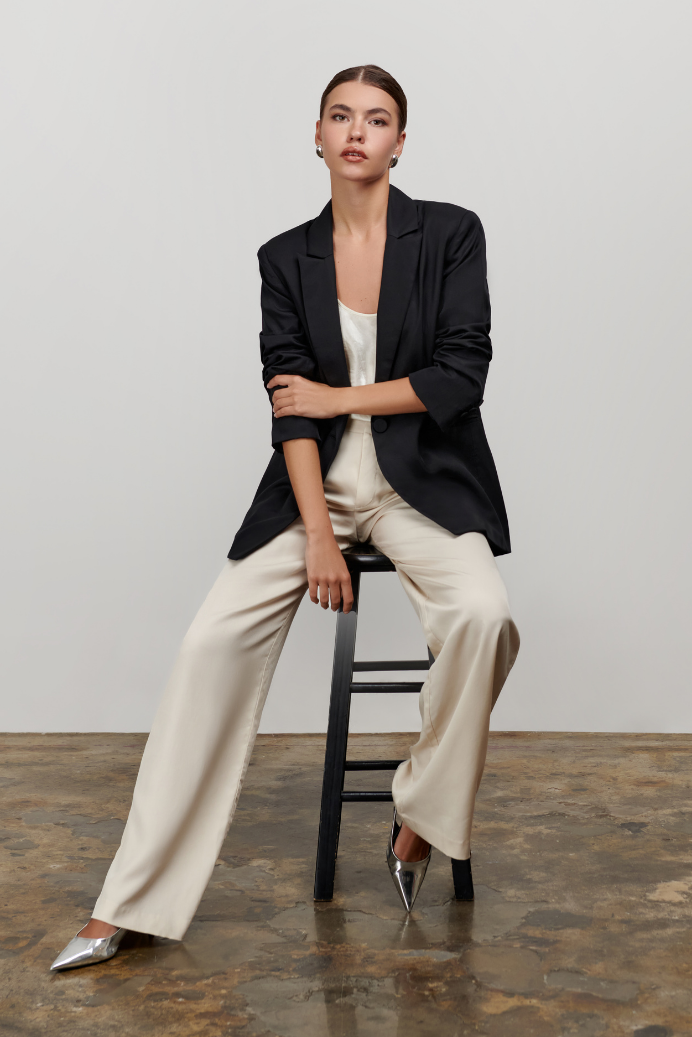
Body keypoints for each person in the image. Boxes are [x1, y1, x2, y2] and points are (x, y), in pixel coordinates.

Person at [50, 64, 520, 971]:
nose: (357, 131)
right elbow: (290, 409)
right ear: (315, 135)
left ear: (399, 141)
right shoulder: (282, 256)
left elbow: (461, 378)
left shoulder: (451, 235)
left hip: (424, 482)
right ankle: (128, 901)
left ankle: (420, 813)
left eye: (377, 119)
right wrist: (316, 534)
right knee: (209, 642)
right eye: (340, 116)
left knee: (486, 617)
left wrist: (341, 390)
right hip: (316, 486)